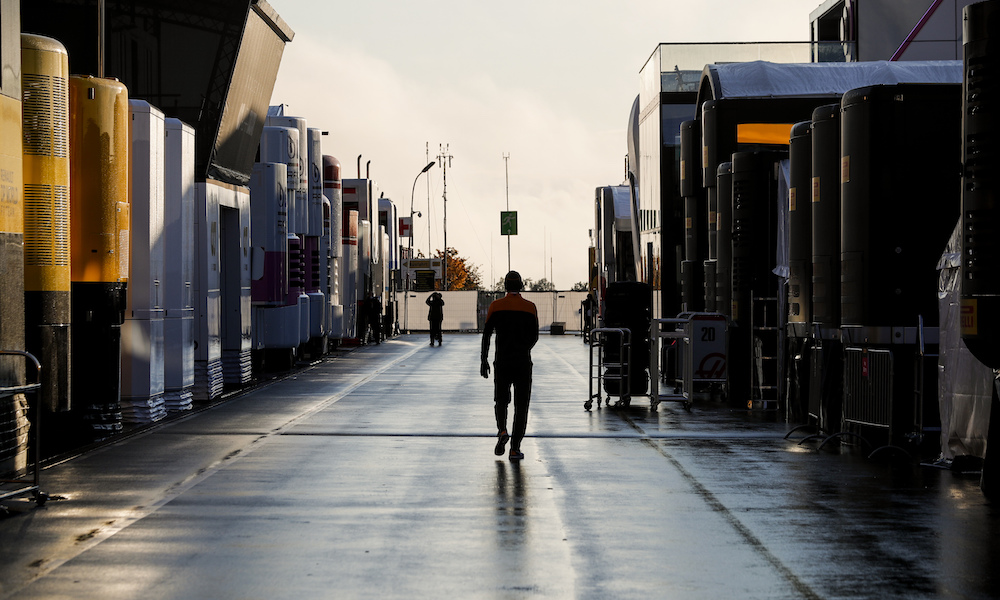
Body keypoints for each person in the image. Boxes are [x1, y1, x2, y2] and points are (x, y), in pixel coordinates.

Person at [481, 271, 538, 460]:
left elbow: (487, 335)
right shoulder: (530, 307)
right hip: (522, 362)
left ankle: (502, 430)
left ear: (505, 286)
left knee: (501, 400)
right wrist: (524, 348)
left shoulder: (496, 306)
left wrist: (484, 360)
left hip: (502, 361)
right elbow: (535, 336)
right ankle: (515, 449)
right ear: (521, 286)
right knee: (521, 406)